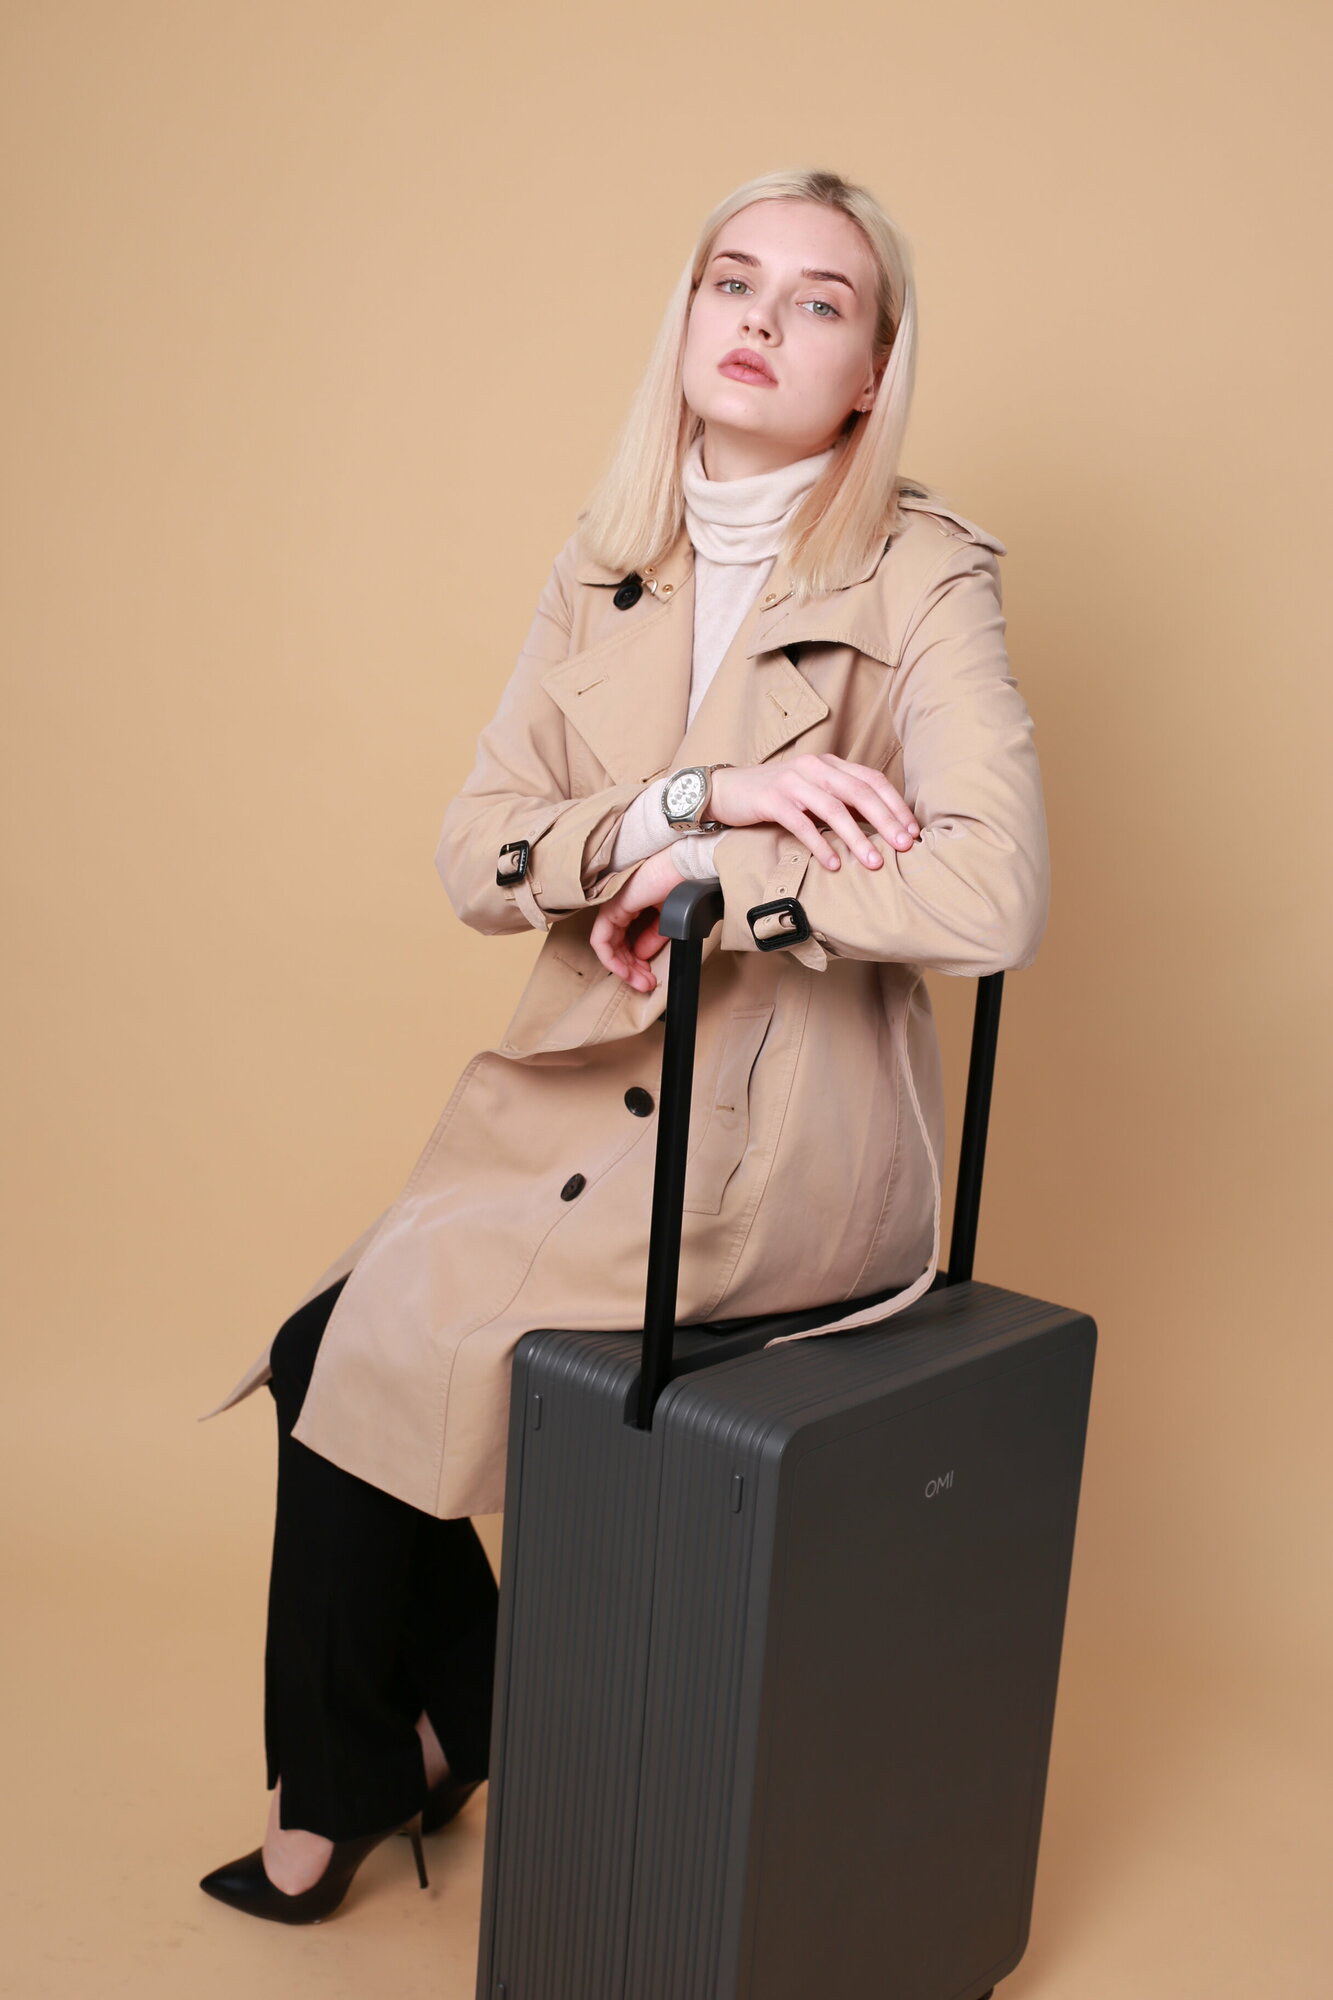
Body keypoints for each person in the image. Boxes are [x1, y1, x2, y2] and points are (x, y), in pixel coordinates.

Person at [198, 165, 1050, 1924]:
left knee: (337, 1345)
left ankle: (368, 1771)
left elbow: (994, 894)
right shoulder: (607, 566)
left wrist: (720, 878)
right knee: (324, 1344)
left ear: (870, 375)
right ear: (684, 318)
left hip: (782, 1146)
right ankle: (427, 1735)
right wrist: (689, 803)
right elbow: (473, 855)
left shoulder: (920, 572)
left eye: (818, 302)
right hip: (590, 1092)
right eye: (732, 281)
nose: (760, 321)